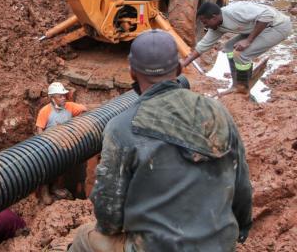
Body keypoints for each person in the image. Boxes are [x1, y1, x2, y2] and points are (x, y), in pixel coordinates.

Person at [68, 30, 253, 251]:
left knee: (83, 238)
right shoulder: (217, 112)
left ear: (132, 72)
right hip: (220, 244)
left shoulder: (122, 128)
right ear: (178, 68)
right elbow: (242, 184)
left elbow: (108, 215)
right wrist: (241, 229)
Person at [182, 1, 292, 94]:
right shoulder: (217, 26)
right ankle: (236, 84)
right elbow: (202, 46)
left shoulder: (235, 11)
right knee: (229, 47)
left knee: (242, 54)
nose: (205, 26)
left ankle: (242, 87)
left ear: (214, 17)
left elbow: (267, 15)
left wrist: (248, 40)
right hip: (260, 27)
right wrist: (183, 64)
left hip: (278, 26)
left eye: (205, 22)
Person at [35, 82, 87, 205]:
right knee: (47, 169)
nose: (64, 98)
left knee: (60, 167)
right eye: (60, 96)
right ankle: (44, 192)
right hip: (48, 146)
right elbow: (39, 129)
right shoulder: (45, 111)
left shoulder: (70, 106)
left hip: (64, 145)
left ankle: (56, 187)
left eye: (64, 95)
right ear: (52, 98)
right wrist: (45, 146)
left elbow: (84, 109)